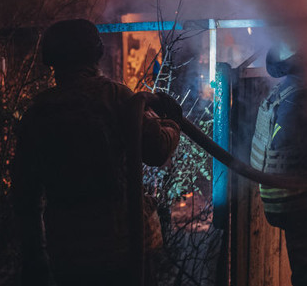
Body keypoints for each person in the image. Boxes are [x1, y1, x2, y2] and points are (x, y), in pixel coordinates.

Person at [12, 19, 181, 286]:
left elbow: (24, 196)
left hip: (70, 257)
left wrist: (36, 256)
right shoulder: (116, 97)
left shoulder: (37, 115)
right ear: (97, 53)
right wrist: (172, 123)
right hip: (126, 248)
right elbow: (157, 150)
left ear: (52, 59)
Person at [249, 42, 307, 286]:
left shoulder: (283, 93)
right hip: (299, 201)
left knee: (305, 271)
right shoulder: (305, 99)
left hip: (278, 198)